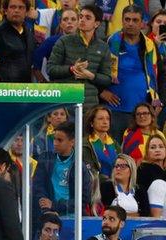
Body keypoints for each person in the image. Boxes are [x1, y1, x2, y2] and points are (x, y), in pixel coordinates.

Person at [100, 5, 162, 143]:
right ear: (122, 21)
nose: (130, 23)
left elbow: (162, 75)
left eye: (135, 20)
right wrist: (101, 91)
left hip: (142, 112)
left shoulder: (150, 46)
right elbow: (95, 70)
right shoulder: (108, 42)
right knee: (115, 153)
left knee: (139, 155)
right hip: (113, 111)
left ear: (142, 23)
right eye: (127, 19)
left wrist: (160, 100)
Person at [47, 5, 111, 110]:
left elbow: (107, 79)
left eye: (88, 18)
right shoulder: (64, 41)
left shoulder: (103, 47)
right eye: (81, 17)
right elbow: (50, 69)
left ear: (97, 24)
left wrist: (91, 76)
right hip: (65, 104)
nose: (82, 20)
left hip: (90, 106)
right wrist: (72, 69)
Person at [33, 121, 92, 216]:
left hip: (73, 218)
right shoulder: (45, 160)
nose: (55, 143)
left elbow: (84, 200)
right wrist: (46, 208)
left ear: (72, 142)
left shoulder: (81, 166)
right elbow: (38, 187)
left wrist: (55, 205)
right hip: (47, 215)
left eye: (59, 140)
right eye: (54, 139)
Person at [0, 0, 35, 82]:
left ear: (26, 12)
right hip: (5, 89)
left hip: (26, 89)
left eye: (21, 7)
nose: (16, 10)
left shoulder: (30, 35)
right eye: (12, 7)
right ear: (6, 11)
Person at [32, 8, 79, 83]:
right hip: (57, 86)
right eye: (65, 19)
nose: (69, 22)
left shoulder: (83, 42)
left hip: (79, 87)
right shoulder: (51, 41)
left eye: (73, 19)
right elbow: (35, 61)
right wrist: (42, 81)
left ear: (78, 23)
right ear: (60, 24)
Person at [82, 105, 120, 182]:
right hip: (96, 185)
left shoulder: (114, 143)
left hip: (116, 183)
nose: (105, 122)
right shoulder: (85, 144)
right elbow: (88, 170)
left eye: (107, 119)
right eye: (100, 119)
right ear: (91, 123)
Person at [137, 134, 166, 218]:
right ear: (147, 152)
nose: (157, 150)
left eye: (161, 147)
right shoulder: (143, 169)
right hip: (151, 213)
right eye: (153, 147)